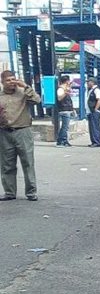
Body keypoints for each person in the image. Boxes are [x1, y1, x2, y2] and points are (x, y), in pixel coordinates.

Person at [0, 70, 41, 201]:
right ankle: (9, 192)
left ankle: (31, 192)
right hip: (5, 132)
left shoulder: (23, 92)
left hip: (23, 131)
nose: (11, 82)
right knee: (7, 164)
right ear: (2, 82)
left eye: (13, 79)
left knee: (28, 162)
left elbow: (37, 100)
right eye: (8, 80)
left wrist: (26, 86)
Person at [55, 75, 74, 147]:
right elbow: (59, 98)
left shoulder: (66, 88)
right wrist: (65, 93)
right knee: (64, 127)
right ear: (66, 81)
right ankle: (60, 141)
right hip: (63, 109)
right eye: (69, 81)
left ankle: (65, 140)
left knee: (66, 127)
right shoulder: (61, 89)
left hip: (67, 109)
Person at [85, 77, 100, 147]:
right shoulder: (91, 90)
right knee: (92, 127)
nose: (87, 83)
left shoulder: (96, 90)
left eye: (88, 82)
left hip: (94, 111)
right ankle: (93, 141)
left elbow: (99, 99)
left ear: (92, 82)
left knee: (95, 127)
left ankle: (96, 142)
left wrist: (96, 109)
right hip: (90, 111)